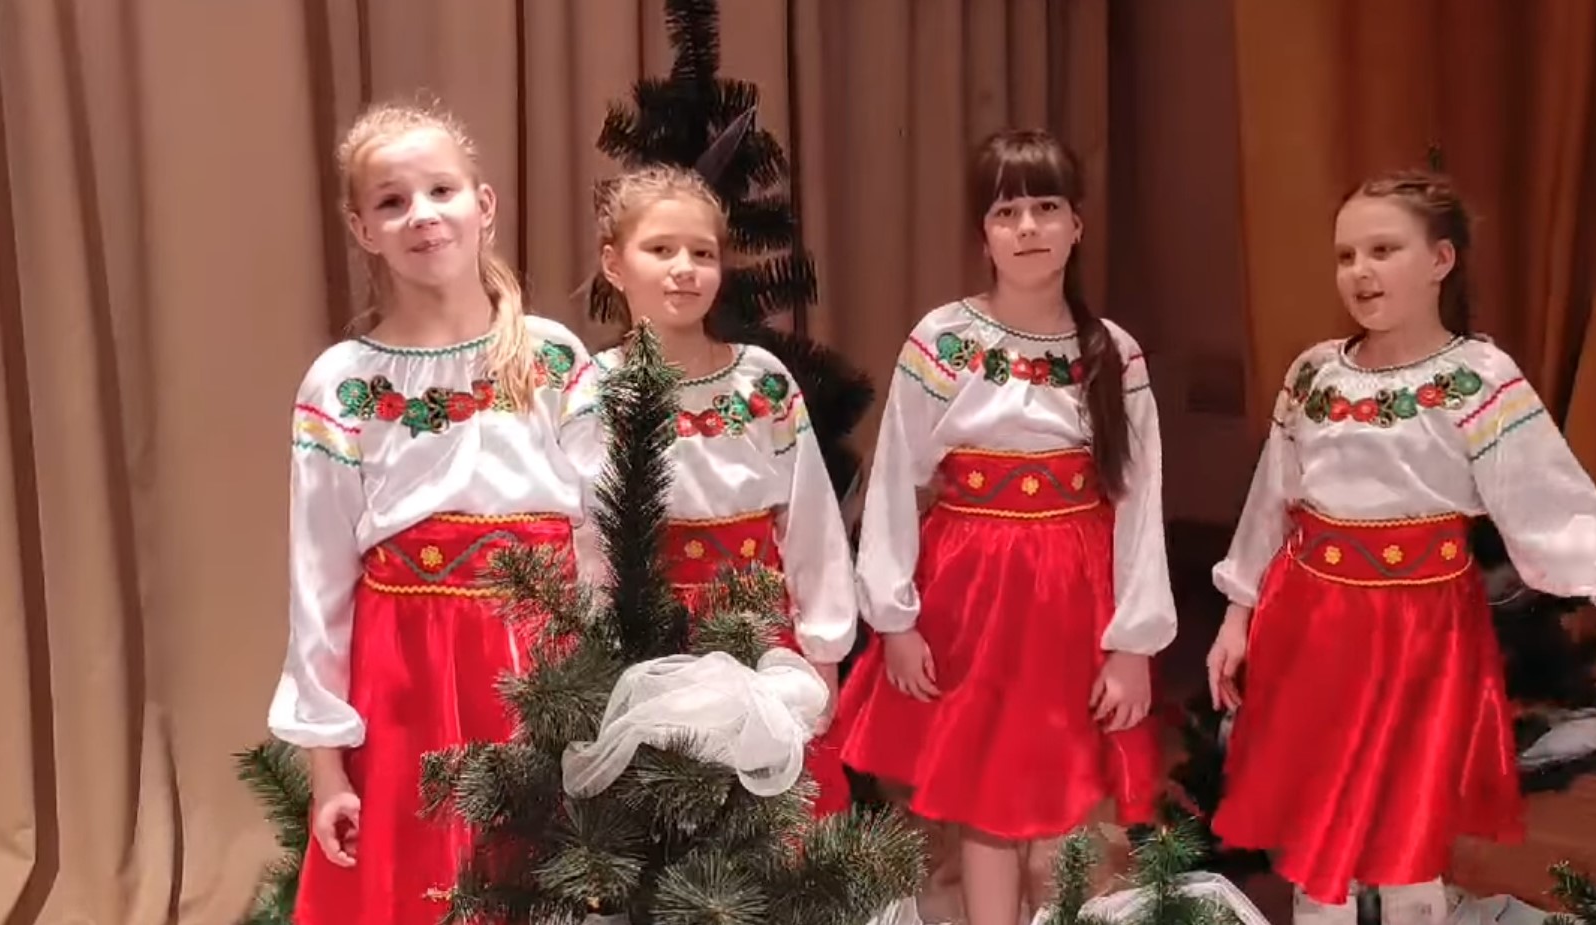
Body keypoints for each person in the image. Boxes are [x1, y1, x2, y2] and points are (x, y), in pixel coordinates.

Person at [1204, 168, 1596, 925]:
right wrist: (1237, 612)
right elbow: (1270, 504)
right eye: (1346, 255)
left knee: (1409, 829)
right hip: (1311, 626)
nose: (1360, 271)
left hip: (1421, 634)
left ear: (1441, 260)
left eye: (1384, 250)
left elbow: (1554, 510)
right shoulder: (1314, 374)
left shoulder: (1477, 380)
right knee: (1320, 827)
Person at [833, 128, 1177, 925]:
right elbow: (894, 480)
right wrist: (896, 619)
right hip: (969, 595)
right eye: (1006, 211)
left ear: (1077, 225)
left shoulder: (1112, 353)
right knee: (982, 787)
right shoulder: (943, 341)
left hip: (1072, 598)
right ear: (982, 234)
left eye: (1046, 207)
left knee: (1062, 790)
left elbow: (1140, 501)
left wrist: (1133, 644)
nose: (1027, 227)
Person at [266, 99, 592, 925]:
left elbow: (603, 529)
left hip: (545, 663)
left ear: (483, 206)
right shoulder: (344, 384)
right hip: (407, 675)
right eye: (391, 201)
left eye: (441, 190)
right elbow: (318, 579)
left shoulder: (552, 356)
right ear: (362, 229)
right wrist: (328, 766)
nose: (421, 214)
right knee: (420, 882)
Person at [560, 162, 860, 814]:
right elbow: (583, 535)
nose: (684, 269)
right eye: (660, 249)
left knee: (775, 825)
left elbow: (811, 522)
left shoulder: (762, 382)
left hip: (759, 636)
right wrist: (592, 652)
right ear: (614, 264)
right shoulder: (593, 391)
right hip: (645, 642)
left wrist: (823, 651)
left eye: (702, 253)